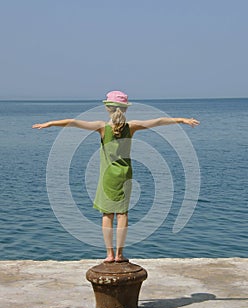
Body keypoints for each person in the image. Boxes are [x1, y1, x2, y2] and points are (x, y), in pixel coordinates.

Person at [32, 90, 200, 263]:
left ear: (108, 108)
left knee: (107, 215)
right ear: (125, 109)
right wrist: (181, 120)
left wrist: (50, 123)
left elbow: (73, 123)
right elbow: (158, 121)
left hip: (108, 177)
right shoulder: (131, 127)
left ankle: (109, 254)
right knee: (122, 215)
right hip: (126, 175)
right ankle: (120, 255)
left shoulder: (102, 128)